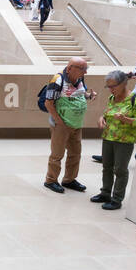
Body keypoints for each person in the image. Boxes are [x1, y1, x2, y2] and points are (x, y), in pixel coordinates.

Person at [91, 69, 136, 210]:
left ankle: (117, 199)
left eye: (113, 86)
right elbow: (107, 113)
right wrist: (101, 118)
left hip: (124, 140)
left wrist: (126, 119)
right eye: (108, 86)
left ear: (124, 83)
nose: (110, 89)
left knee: (120, 170)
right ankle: (105, 193)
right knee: (106, 167)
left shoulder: (135, 99)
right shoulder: (112, 98)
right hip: (108, 137)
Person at [41, 56, 96, 194]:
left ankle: (69, 179)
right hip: (62, 125)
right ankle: (51, 180)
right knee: (57, 154)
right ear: (70, 68)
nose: (86, 72)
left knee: (75, 153)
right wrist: (59, 121)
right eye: (83, 69)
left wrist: (89, 95)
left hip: (76, 124)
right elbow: (49, 103)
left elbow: (79, 94)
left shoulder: (79, 79)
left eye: (86, 69)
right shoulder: (57, 80)